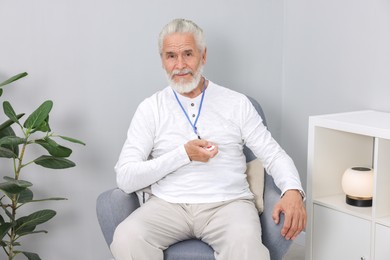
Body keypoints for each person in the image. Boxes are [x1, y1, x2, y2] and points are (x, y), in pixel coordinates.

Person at [111, 18, 306, 260]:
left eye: (188, 54)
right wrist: (183, 155)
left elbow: (273, 154)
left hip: (228, 204)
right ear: (162, 61)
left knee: (248, 249)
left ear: (203, 56)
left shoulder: (237, 103)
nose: (180, 64)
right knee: (126, 238)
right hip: (168, 205)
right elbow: (126, 178)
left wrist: (293, 190)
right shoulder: (150, 108)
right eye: (171, 56)